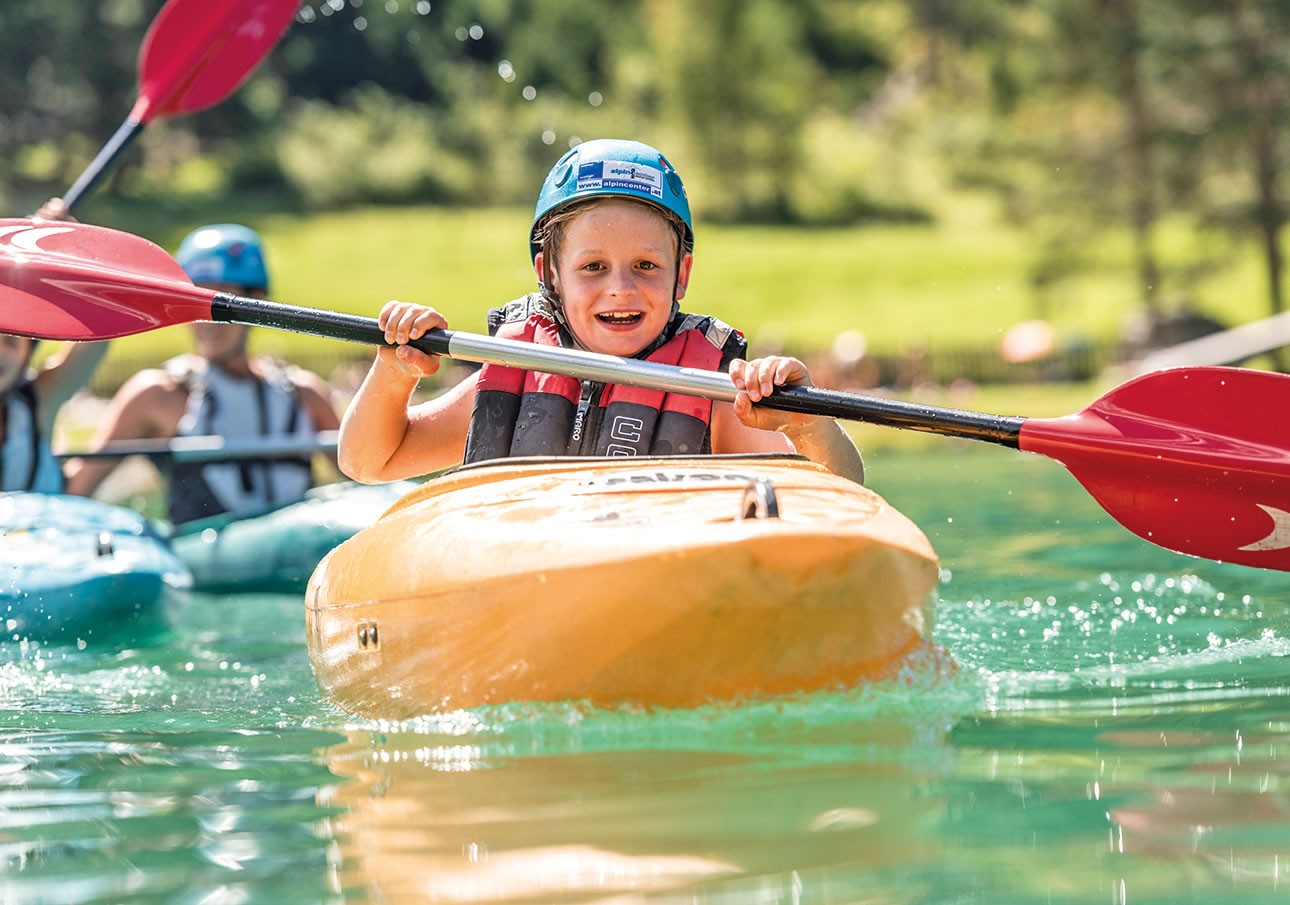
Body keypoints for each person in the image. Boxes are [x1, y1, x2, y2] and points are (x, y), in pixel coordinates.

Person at [338, 138, 864, 484]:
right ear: (548, 274)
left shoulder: (714, 393)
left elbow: (838, 490)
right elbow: (369, 461)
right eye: (592, 267)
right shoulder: (517, 369)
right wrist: (394, 371)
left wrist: (807, 426)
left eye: (645, 265)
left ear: (681, 275)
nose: (621, 289)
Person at [64, 223, 342, 524]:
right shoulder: (156, 395)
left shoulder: (305, 395)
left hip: (300, 559)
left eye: (221, 302)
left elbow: (371, 483)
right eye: (193, 302)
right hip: (203, 565)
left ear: (258, 301)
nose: (205, 320)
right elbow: (75, 488)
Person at [0, 199, 109, 492]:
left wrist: (65, 251)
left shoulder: (38, 402)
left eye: (11, 342)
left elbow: (98, 336)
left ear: (27, 354)